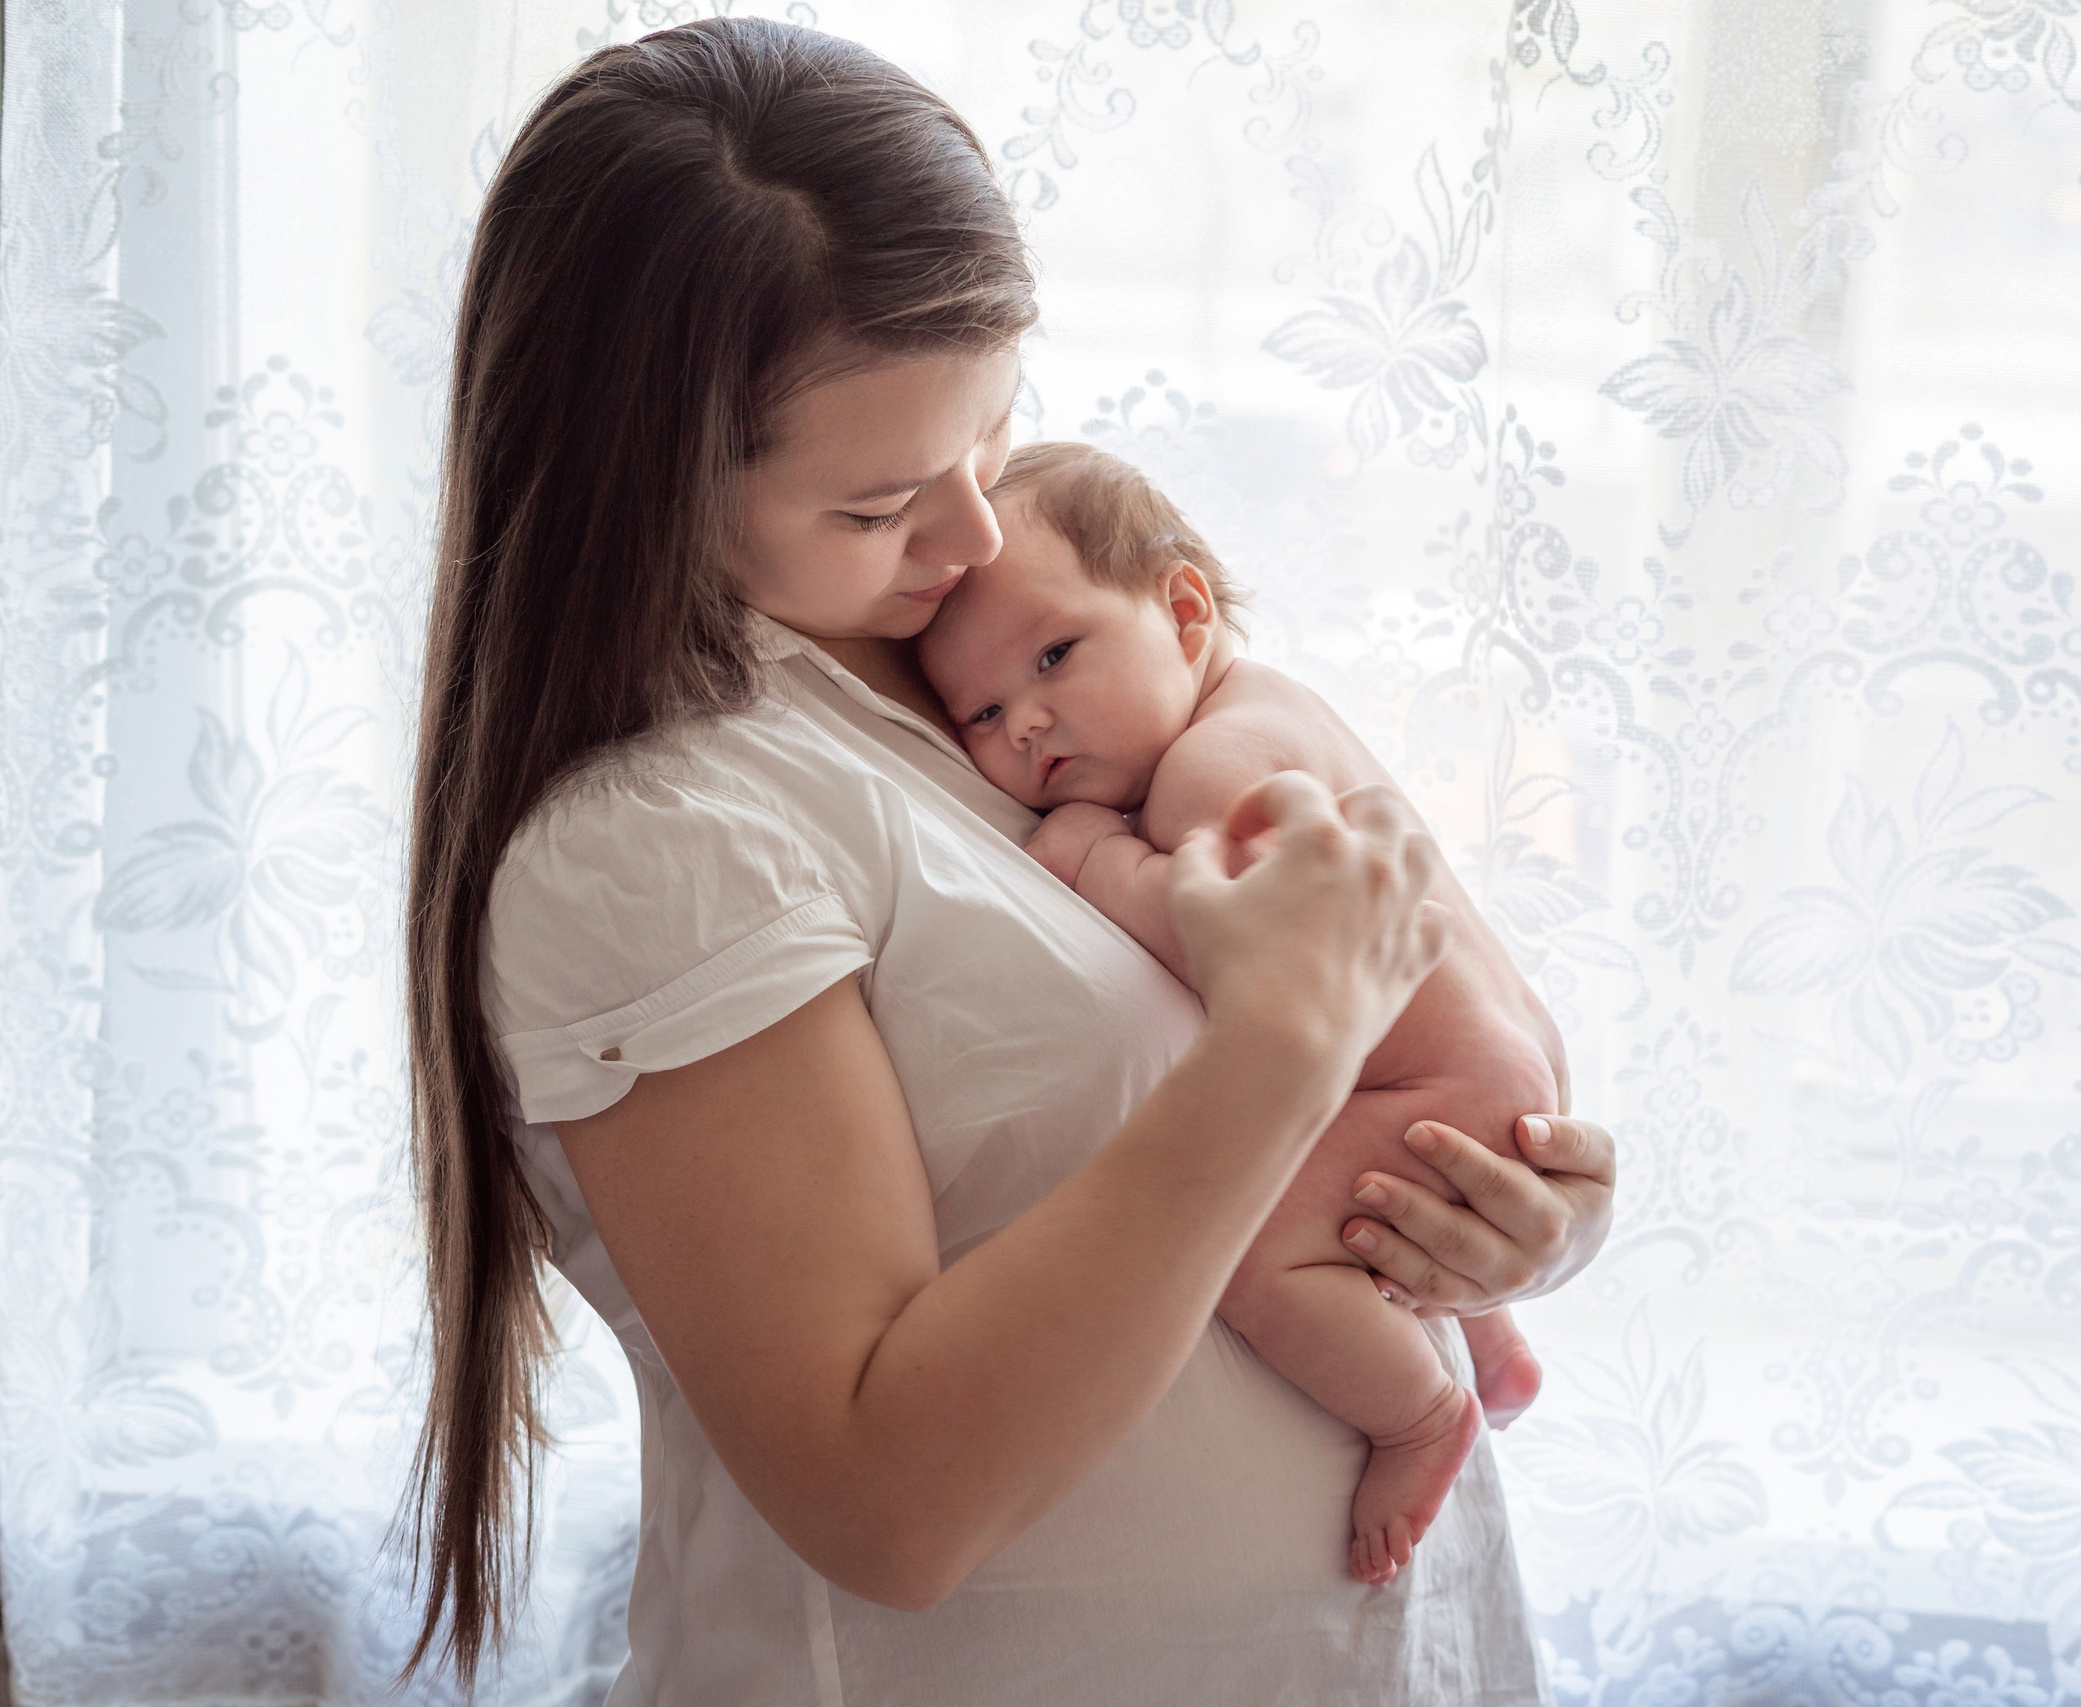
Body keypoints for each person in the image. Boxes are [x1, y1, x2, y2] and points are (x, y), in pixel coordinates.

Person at [399, 18, 1616, 1707]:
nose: (974, 537)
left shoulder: (1002, 675)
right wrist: (1280, 1052)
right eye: (885, 500)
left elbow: (1424, 978)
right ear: (654, 485)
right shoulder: (662, 844)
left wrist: (1517, 1211)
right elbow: (887, 1504)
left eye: (992, 439)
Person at [916, 442, 1560, 1587]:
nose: (1025, 722)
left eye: (1056, 654)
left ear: (1182, 607)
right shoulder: (1276, 707)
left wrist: (1098, 862)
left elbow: (1250, 962)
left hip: (1432, 1088)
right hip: (1499, 1058)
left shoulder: (1208, 773)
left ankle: (1420, 1413)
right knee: (1344, 1186)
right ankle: (1495, 1339)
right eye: (978, 712)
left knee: (1257, 1252)